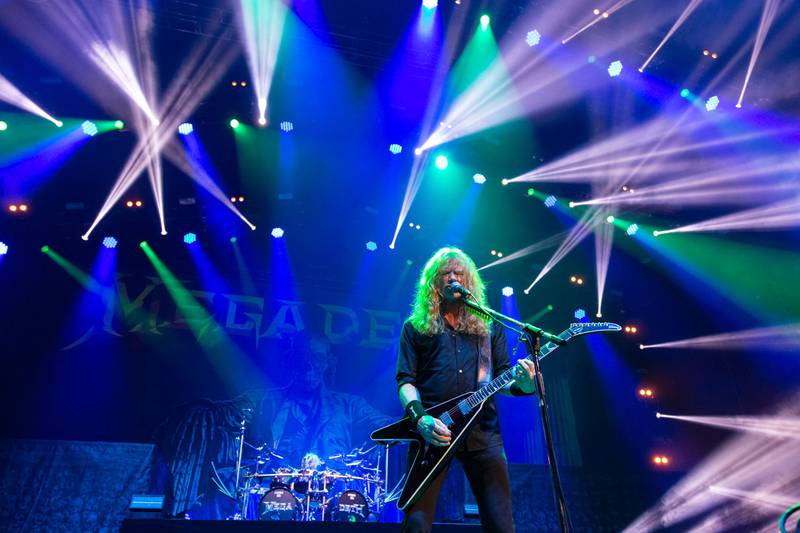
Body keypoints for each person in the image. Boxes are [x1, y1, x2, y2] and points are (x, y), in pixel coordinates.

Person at [396, 246, 537, 533]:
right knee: (416, 523)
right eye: (445, 273)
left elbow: (502, 379)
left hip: (482, 434)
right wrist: (420, 418)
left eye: (458, 273)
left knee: (501, 524)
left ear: (468, 281)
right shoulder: (415, 327)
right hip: (433, 431)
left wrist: (523, 385)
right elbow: (405, 381)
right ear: (434, 283)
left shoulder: (488, 327)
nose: (451, 278)